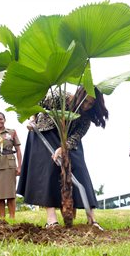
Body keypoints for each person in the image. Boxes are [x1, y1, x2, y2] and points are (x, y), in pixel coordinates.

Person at [16, 87, 108, 230]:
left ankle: (92, 219)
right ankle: (51, 220)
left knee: (80, 171)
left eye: (91, 104)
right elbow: (38, 103)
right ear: (79, 95)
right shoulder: (60, 96)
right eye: (86, 102)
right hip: (45, 133)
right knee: (48, 172)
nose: (86, 106)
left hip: (68, 140)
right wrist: (33, 118)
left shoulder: (86, 117)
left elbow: (77, 136)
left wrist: (64, 148)